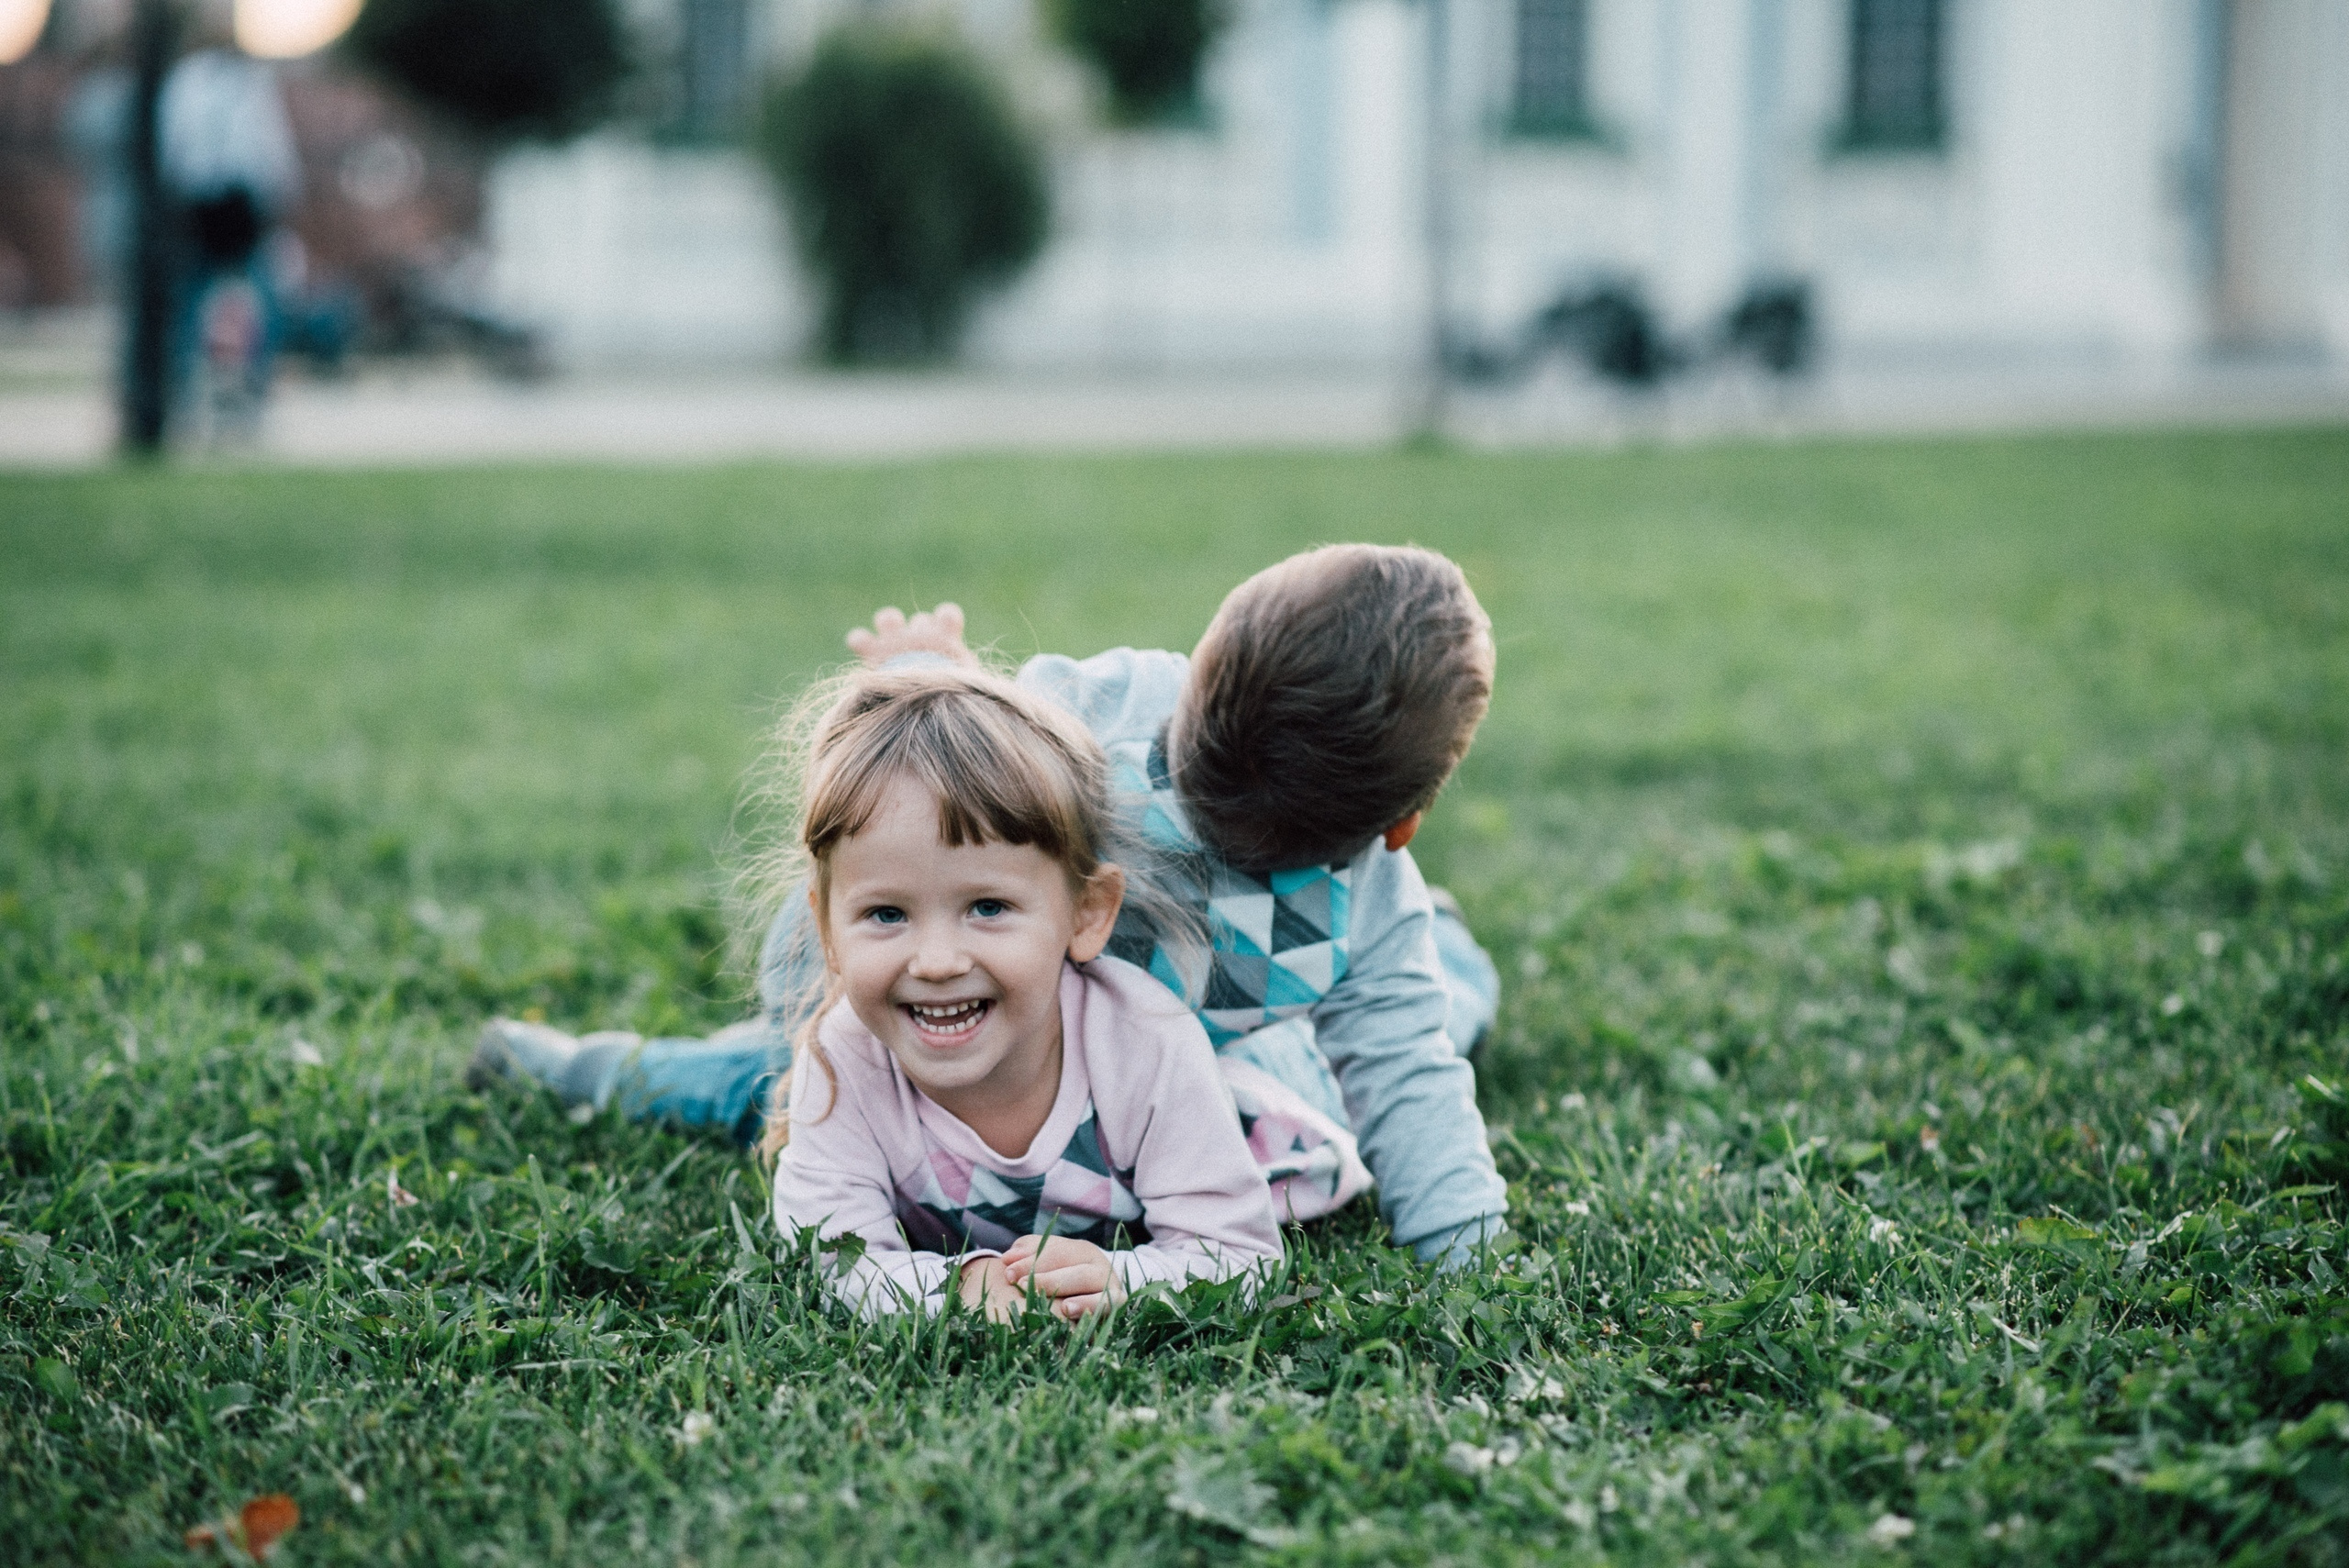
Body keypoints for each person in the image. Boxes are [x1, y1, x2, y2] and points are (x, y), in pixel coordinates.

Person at [475, 544, 1508, 1266]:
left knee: (1355, 1050)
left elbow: (1409, 1079)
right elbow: (964, 740)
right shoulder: (1104, 714)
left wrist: (1466, 1252)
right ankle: (588, 1069)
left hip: (1155, 1073)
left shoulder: (1357, 904)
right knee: (787, 1080)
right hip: (957, 1024)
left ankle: (1456, 958)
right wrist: (932, 676)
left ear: (1201, 668)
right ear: (1403, 823)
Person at [765, 663, 1294, 1319]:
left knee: (1303, 1053)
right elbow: (823, 1260)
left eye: (987, 906)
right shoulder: (843, 1059)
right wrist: (958, 1286)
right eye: (887, 914)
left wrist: (1126, 1278)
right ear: (827, 929)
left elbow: (1241, 1256)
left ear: (1087, 913)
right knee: (734, 1085)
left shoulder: (1147, 1043)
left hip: (1270, 1097)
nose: (935, 962)